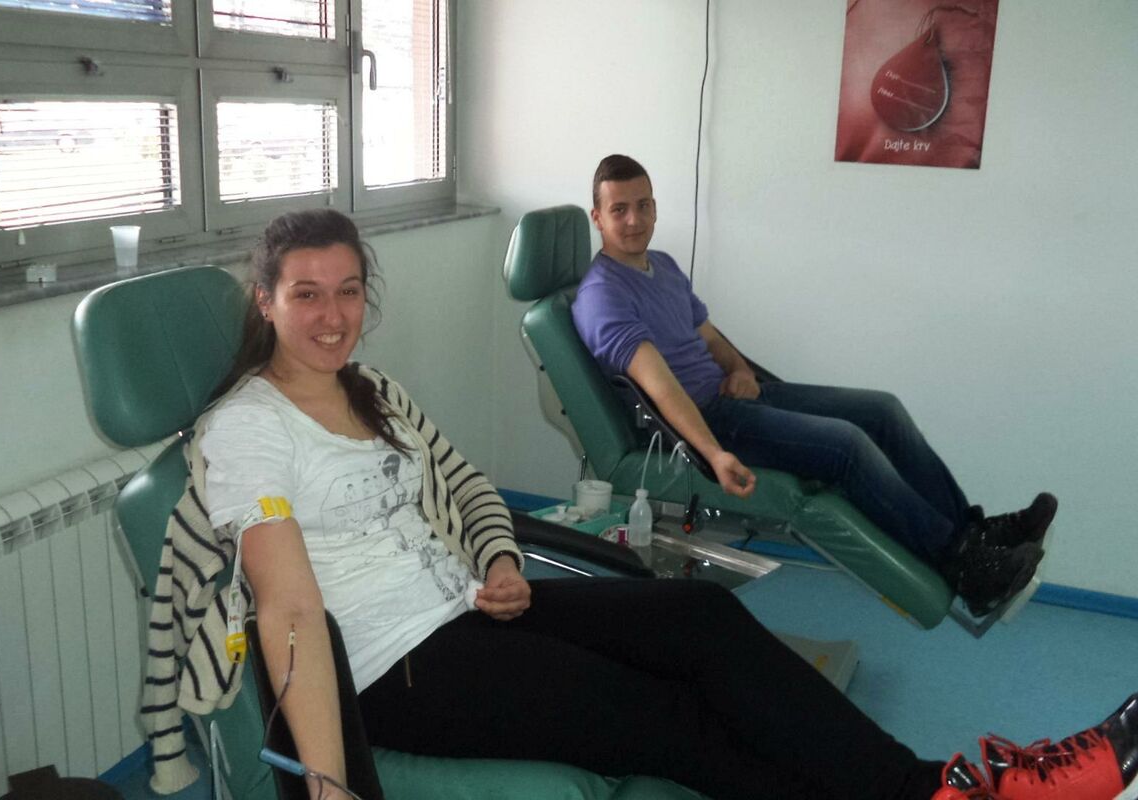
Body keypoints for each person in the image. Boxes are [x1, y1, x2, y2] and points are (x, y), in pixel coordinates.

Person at [190, 207, 1135, 800]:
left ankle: (938, 787)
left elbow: (466, 485)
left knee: (699, 618)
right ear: (265, 302)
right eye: (305, 295)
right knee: (667, 718)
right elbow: (288, 610)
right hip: (393, 672)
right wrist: (327, 784)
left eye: (348, 291)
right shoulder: (246, 428)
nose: (332, 315)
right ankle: (939, 793)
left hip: (466, 608)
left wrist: (502, 559)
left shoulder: (372, 390)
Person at [571, 153, 1057, 618]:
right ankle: (964, 564)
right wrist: (714, 454)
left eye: (643, 205)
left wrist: (740, 370)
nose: (634, 220)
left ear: (655, 207)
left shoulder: (663, 265)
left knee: (882, 410)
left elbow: (710, 338)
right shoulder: (602, 296)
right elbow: (660, 388)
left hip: (731, 394)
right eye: (619, 209)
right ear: (598, 217)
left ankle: (977, 534)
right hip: (706, 421)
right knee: (846, 446)